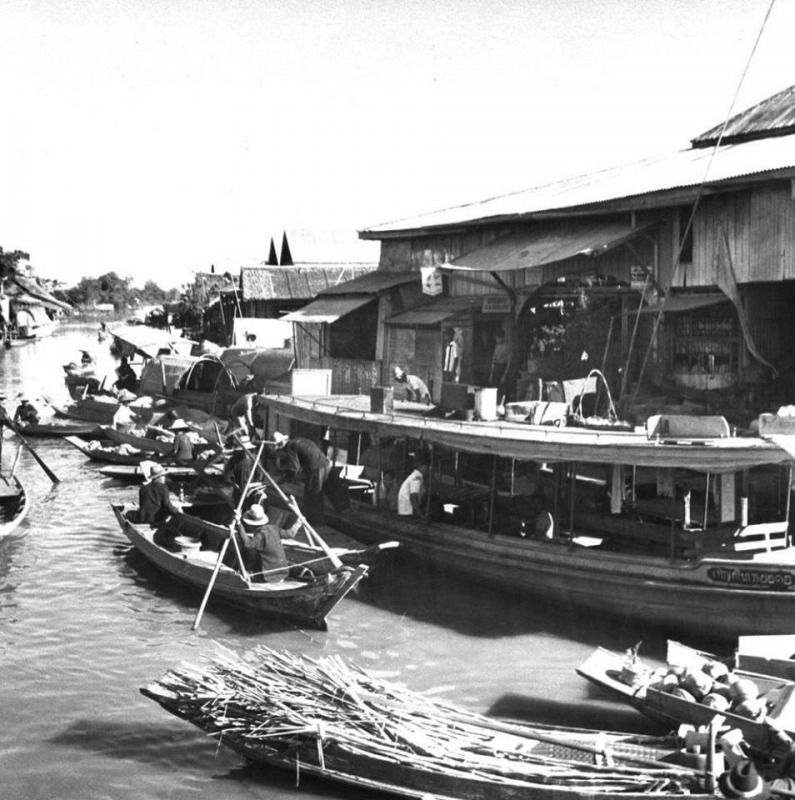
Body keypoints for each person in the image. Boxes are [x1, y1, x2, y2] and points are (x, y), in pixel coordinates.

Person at [272, 431, 330, 524]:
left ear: (280, 444)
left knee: (311, 497)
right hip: (325, 465)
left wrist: (283, 480)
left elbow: (294, 469)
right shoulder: (297, 441)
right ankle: (315, 521)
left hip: (316, 469)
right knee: (315, 494)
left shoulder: (289, 446)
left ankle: (314, 524)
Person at [235, 504, 293, 582]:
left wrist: (238, 523)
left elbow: (247, 544)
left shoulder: (260, 536)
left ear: (250, 524)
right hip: (283, 572)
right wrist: (298, 524)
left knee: (249, 554)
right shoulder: (273, 528)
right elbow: (289, 534)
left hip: (269, 576)